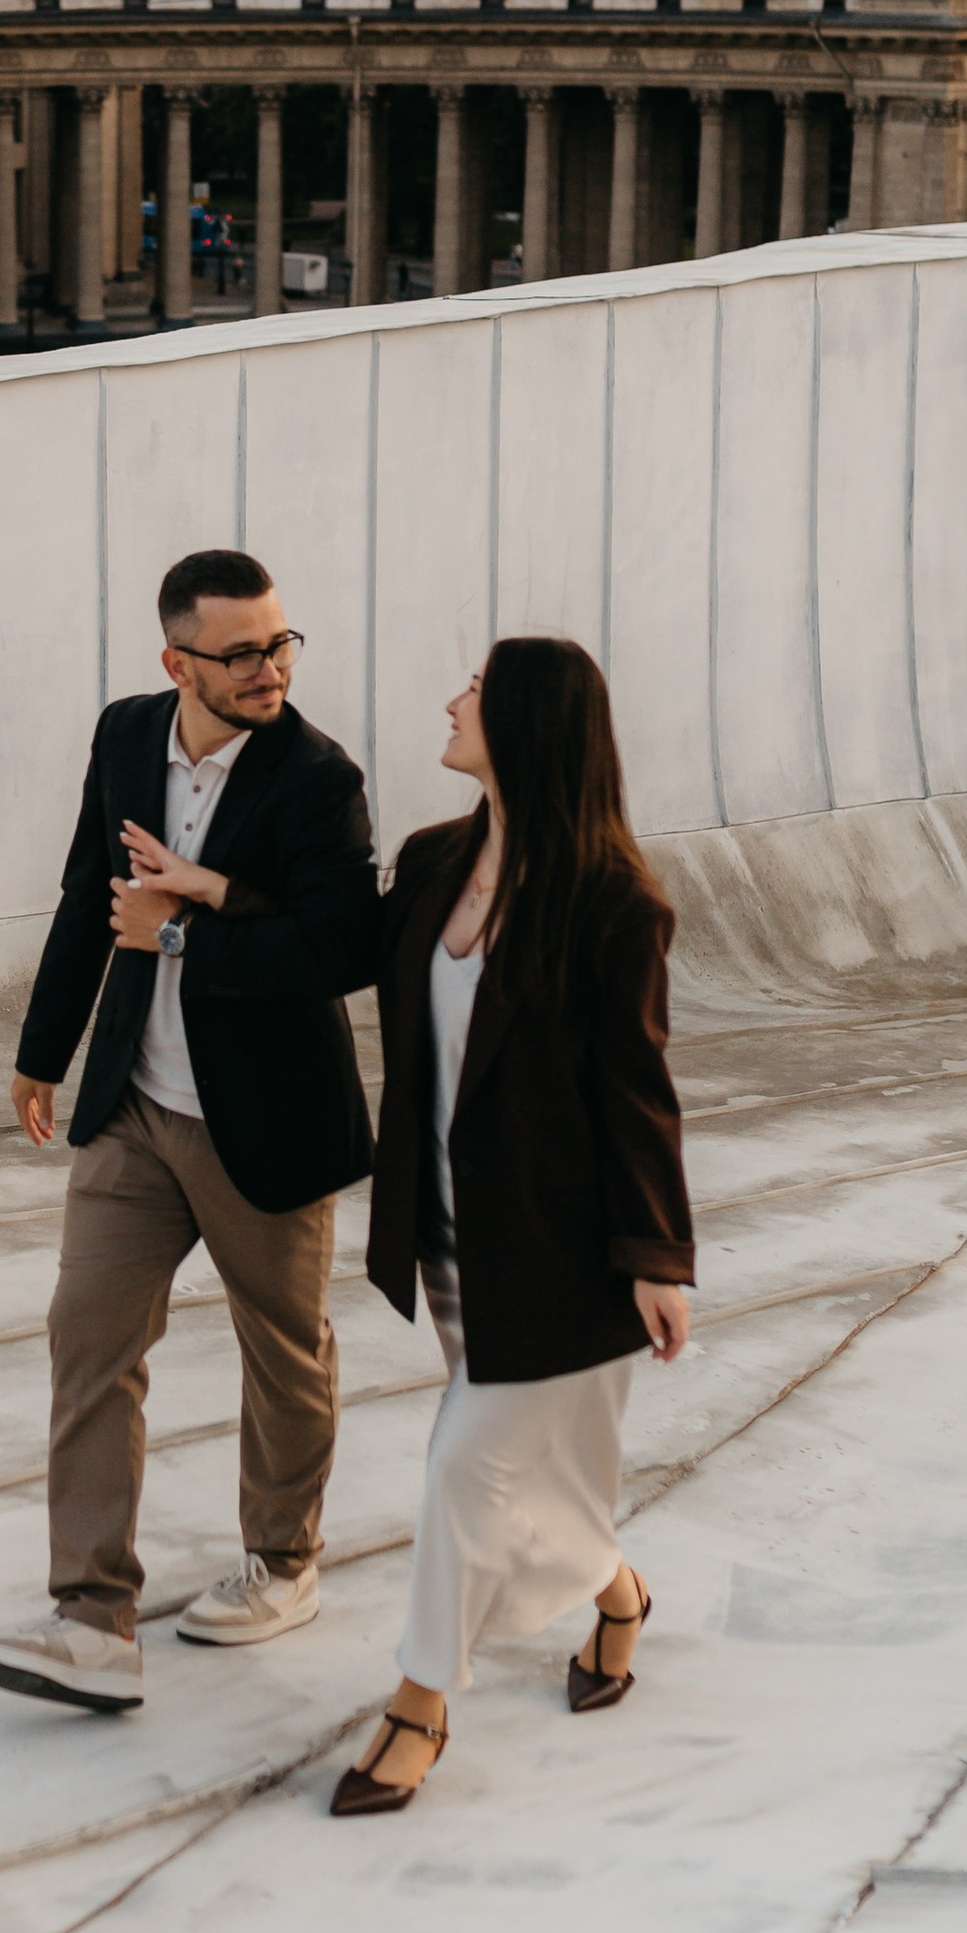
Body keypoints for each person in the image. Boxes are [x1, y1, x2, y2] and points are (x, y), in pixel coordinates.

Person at [0, 548, 381, 1713]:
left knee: (282, 1350)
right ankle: (91, 1619)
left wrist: (194, 921)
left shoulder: (317, 779)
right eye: (240, 652)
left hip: (263, 1118)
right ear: (176, 661)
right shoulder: (125, 736)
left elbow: (340, 946)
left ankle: (283, 1562)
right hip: (134, 1110)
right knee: (87, 1342)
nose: (269, 668)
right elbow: (87, 897)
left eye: (280, 643)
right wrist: (42, 1050)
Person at [329, 635, 694, 1815]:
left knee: (461, 1469)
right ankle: (616, 1588)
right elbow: (343, 956)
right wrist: (210, 896)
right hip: (449, 1243)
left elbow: (636, 1094)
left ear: (528, 722)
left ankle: (418, 1706)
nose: (451, 703)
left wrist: (656, 1259)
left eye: (476, 691)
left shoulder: (613, 906)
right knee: (510, 1475)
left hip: (560, 1255)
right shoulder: (437, 860)